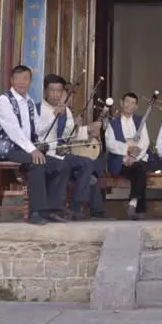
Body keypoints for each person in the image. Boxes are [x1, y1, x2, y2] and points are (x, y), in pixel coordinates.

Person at [0, 65, 71, 225]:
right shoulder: (4, 101)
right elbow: (14, 131)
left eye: (26, 78)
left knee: (61, 166)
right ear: (12, 81)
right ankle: (36, 212)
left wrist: (54, 115)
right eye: (18, 78)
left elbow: (39, 129)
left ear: (30, 82)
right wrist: (33, 150)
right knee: (37, 161)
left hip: (25, 148)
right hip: (7, 148)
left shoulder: (29, 102)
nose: (22, 82)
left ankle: (52, 210)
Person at [35, 74, 97, 220]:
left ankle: (76, 206)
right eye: (52, 90)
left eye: (59, 91)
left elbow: (70, 135)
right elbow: (36, 132)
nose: (56, 94)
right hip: (44, 153)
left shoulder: (66, 111)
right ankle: (55, 209)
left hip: (61, 152)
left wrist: (85, 129)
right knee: (63, 165)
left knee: (87, 163)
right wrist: (53, 115)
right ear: (45, 91)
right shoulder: (36, 109)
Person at [105, 92, 151, 220]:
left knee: (140, 168)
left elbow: (145, 141)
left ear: (136, 106)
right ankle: (138, 206)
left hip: (137, 160)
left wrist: (135, 156)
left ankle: (133, 203)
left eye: (132, 103)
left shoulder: (140, 120)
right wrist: (127, 151)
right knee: (140, 171)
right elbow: (110, 144)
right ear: (121, 103)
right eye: (127, 102)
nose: (129, 105)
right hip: (119, 160)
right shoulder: (113, 122)